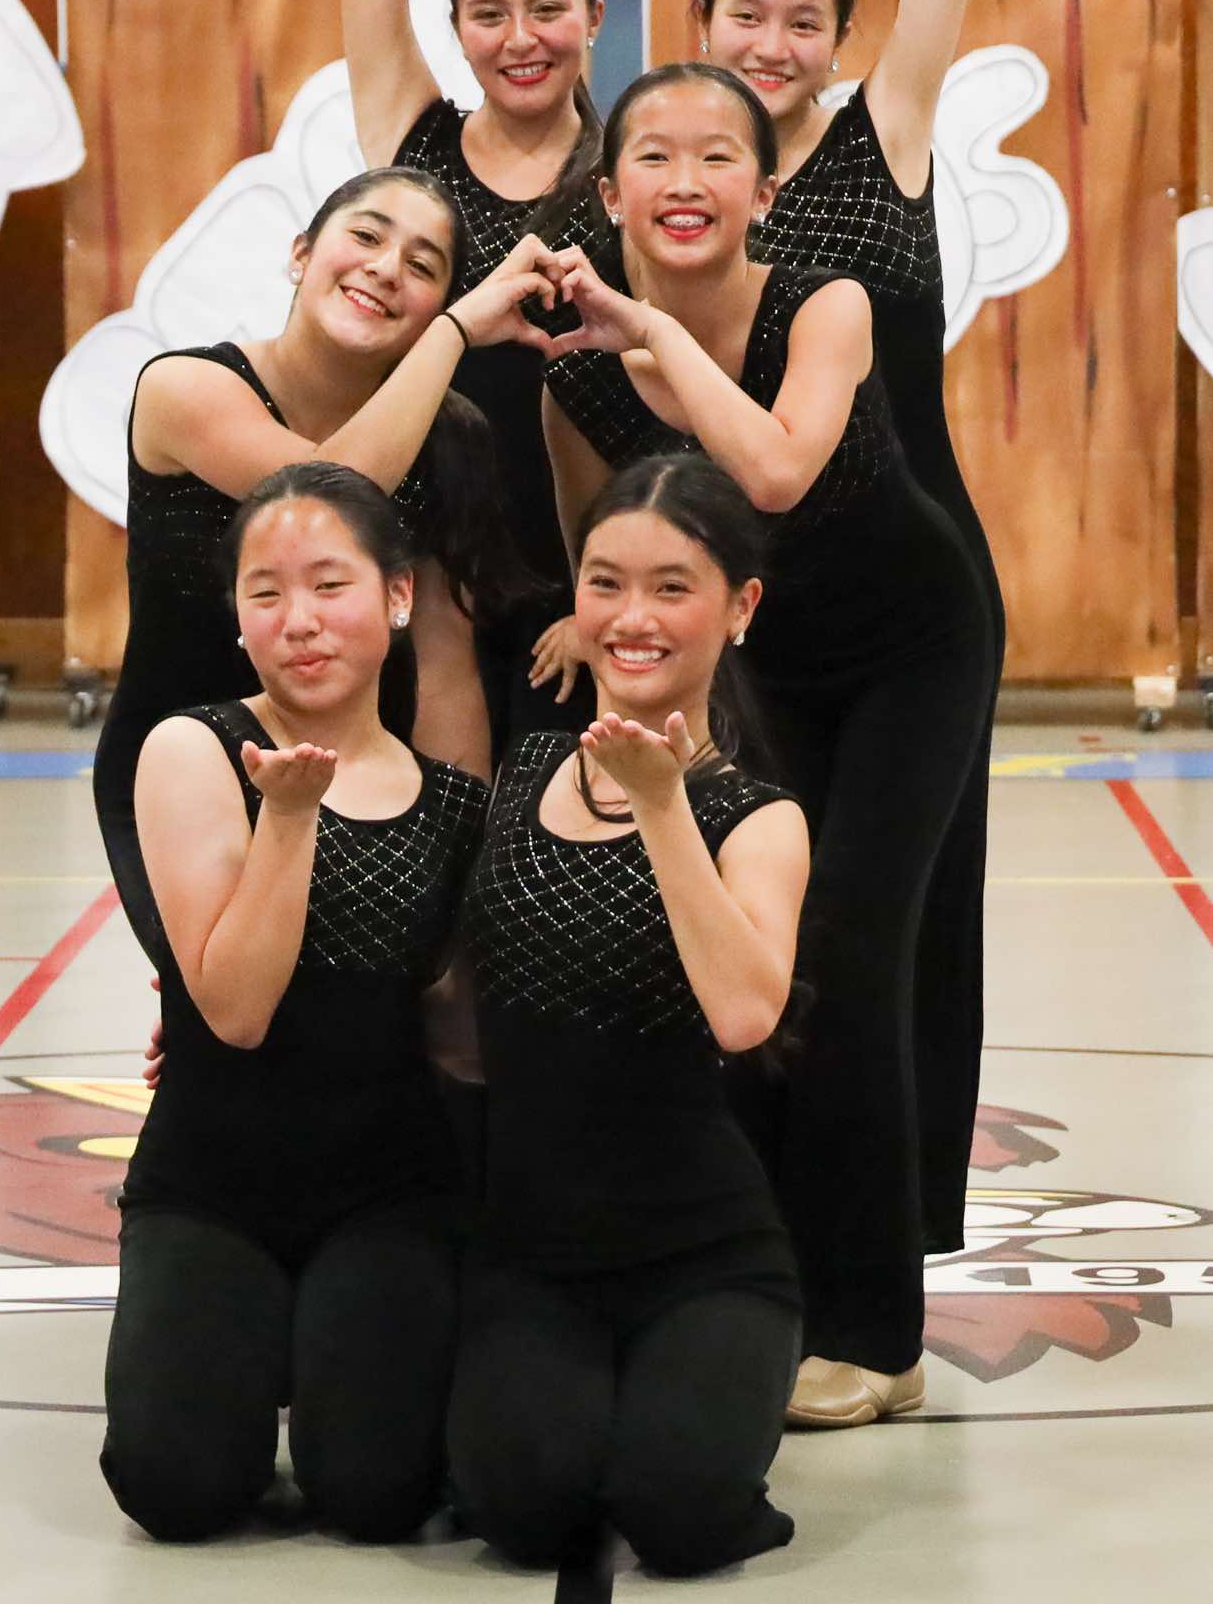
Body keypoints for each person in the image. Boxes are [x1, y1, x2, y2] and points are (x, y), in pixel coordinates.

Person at [541, 63, 994, 1426]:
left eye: (717, 157)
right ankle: (757, 1287)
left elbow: (776, 469)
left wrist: (651, 334)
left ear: (766, 190)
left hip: (912, 648)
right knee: (753, 970)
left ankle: (877, 1335)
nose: (684, 182)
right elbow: (605, 557)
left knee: (850, 960)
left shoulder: (824, 302)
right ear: (607, 190)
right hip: (758, 666)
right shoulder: (579, 381)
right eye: (653, 157)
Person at [678, 0, 1005, 1263]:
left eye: (803, 20)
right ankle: (765, 1226)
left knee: (900, 916)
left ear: (843, 39)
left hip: (913, 579)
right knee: (766, 912)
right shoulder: (686, 172)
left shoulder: (889, 133)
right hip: (754, 601)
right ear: (698, 24)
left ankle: (894, 1235)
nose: (772, 42)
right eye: (745, 14)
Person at [100, 463, 488, 1543]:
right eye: (265, 592)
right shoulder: (192, 749)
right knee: (175, 1488)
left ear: (397, 596)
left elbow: (463, 1034)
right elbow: (233, 1011)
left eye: (329, 584)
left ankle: (326, 1352)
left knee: (376, 1495)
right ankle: (247, 1347)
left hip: (384, 1188)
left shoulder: (454, 803)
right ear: (236, 616)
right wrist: (289, 816)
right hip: (210, 1180)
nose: (299, 620)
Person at [450, 454, 807, 1575]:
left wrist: (663, 804)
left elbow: (745, 1012)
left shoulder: (759, 819)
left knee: (680, 1515)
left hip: (702, 1253)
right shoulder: (524, 770)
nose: (632, 617)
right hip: (532, 1255)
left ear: (739, 607)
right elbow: (446, 991)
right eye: (604, 582)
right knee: (523, 1510)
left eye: (672, 586)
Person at [93, 165, 561, 958]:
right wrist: (452, 334)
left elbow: (445, 663)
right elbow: (328, 501)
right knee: (234, 1001)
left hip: (367, 787)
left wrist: (459, 847)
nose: (386, 268)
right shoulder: (187, 387)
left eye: (423, 267)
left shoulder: (451, 436)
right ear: (301, 254)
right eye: (367, 236)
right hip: (187, 775)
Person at [344, 0, 622, 744]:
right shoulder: (413, 142)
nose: (519, 40)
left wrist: (608, 591)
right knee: (436, 815)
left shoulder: (632, 172)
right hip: (428, 566)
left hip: (580, 583)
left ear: (593, 15)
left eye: (548, 10)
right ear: (456, 25)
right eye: (488, 14)